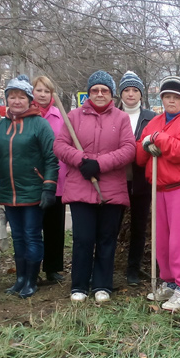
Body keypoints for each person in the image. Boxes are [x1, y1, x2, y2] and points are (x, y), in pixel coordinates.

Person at [53, 70, 136, 303]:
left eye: (104, 90)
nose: (100, 94)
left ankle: (102, 284)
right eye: (95, 90)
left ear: (111, 94)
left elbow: (129, 149)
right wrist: (81, 160)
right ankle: (79, 285)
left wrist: (99, 164)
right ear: (88, 93)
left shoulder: (121, 118)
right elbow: (60, 145)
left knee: (107, 238)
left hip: (111, 188)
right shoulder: (74, 116)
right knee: (83, 238)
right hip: (80, 187)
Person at [0, 76, 59, 298]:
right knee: (18, 237)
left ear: (29, 100)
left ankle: (31, 280)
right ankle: (20, 278)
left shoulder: (40, 124)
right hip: (9, 193)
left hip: (33, 192)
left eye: (21, 97)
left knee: (32, 235)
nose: (16, 101)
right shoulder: (0, 127)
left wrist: (48, 187)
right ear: (7, 99)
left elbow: (51, 158)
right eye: (12, 97)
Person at [137, 76, 180, 311]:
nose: (171, 101)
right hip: (158, 187)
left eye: (176, 97)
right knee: (162, 238)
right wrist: (145, 146)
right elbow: (140, 157)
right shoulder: (154, 121)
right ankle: (168, 281)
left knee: (179, 240)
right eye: (167, 96)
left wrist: (159, 139)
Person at [118, 71, 155, 286]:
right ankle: (107, 266)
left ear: (141, 94)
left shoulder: (150, 117)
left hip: (142, 180)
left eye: (135, 90)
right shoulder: (113, 115)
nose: (130, 94)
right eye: (126, 90)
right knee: (112, 225)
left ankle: (134, 268)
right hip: (117, 179)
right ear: (121, 93)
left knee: (139, 227)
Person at [31, 74, 67, 284]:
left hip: (57, 179)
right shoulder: (27, 115)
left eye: (47, 91)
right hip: (31, 180)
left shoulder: (60, 116)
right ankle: (32, 268)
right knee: (33, 227)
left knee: (54, 227)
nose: (43, 95)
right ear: (32, 92)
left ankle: (53, 268)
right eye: (39, 90)